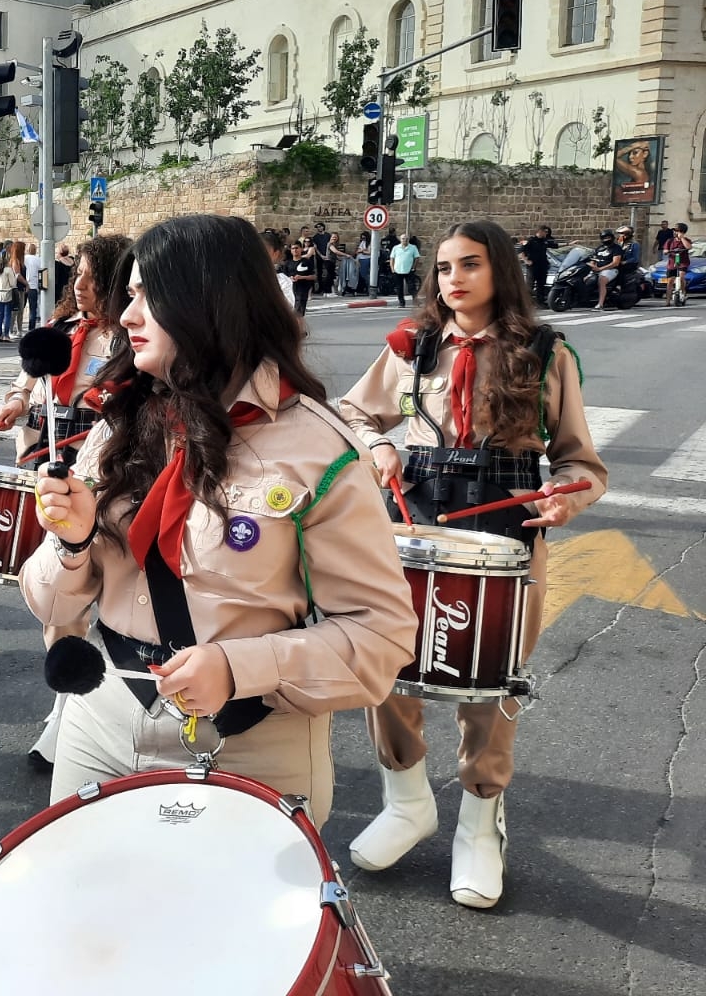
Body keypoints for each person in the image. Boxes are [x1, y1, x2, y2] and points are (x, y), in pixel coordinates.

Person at [21, 215, 416, 826]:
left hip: (253, 748)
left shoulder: (318, 448)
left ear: (210, 303)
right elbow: (49, 604)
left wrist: (239, 668)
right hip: (101, 723)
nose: (126, 318)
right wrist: (71, 545)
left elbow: (380, 635)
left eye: (149, 297)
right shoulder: (117, 426)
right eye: (129, 296)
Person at [339, 218, 607, 909]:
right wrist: (377, 448)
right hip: (416, 516)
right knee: (390, 664)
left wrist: (566, 496)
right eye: (444, 267)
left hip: (506, 529)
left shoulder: (546, 354)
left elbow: (580, 460)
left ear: (500, 275)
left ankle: (481, 824)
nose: (452, 278)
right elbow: (354, 415)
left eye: (470, 265)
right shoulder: (414, 348)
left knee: (491, 678)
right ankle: (407, 801)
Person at [0, 233, 133, 768]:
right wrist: (15, 402)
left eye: (93, 278)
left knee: (110, 589)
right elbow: (25, 382)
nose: (81, 285)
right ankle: (68, 706)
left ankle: (96, 709)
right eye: (79, 275)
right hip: (53, 466)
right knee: (62, 594)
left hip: (107, 470)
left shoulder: (134, 340)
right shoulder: (62, 332)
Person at [518, 224, 553, 307]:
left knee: (541, 285)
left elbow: (555, 246)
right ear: (540, 231)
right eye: (545, 232)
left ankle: (540, 303)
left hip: (542, 266)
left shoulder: (544, 241)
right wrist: (526, 261)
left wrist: (568, 244)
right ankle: (526, 304)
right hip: (533, 267)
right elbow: (520, 251)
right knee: (530, 285)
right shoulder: (531, 241)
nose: (546, 234)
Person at [664, 222, 693, 306]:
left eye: (677, 231)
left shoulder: (686, 240)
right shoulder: (670, 241)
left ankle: (683, 292)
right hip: (672, 262)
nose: (675, 232)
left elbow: (689, 247)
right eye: (675, 231)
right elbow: (665, 250)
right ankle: (668, 301)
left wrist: (682, 238)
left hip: (683, 262)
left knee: (681, 276)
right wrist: (668, 251)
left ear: (682, 232)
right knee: (670, 281)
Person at [0, 253, 19, 342]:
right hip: (7, 293)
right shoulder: (8, 270)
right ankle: (6, 335)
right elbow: (13, 284)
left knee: (0, 314)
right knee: (7, 314)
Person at [390, 233, 420, 307]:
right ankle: (401, 303)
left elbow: (417, 258)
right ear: (400, 240)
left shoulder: (413, 247)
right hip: (397, 270)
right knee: (399, 288)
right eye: (403, 239)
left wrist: (414, 267)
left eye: (406, 239)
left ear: (408, 240)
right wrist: (392, 268)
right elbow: (392, 258)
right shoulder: (396, 248)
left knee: (411, 288)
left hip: (409, 270)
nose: (405, 240)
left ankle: (416, 302)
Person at [22, 239, 44, 332]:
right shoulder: (38, 259)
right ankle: (31, 328)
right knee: (33, 308)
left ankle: (18, 326)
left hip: (23, 285)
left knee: (20, 308)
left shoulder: (24, 258)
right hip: (33, 286)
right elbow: (41, 272)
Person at [289, 242, 315, 317]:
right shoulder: (288, 263)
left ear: (301, 249)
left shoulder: (306, 262)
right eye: (293, 248)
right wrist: (290, 278)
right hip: (291, 289)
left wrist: (302, 277)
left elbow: (313, 276)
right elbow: (283, 276)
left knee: (299, 309)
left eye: (296, 248)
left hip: (303, 288)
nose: (295, 250)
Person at [330, 232, 357, 296]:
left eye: (336, 237)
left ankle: (334, 291)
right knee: (331, 277)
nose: (334, 238)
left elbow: (335, 255)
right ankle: (330, 292)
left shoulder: (334, 244)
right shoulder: (330, 244)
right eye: (333, 237)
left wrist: (341, 258)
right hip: (329, 262)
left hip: (333, 261)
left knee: (333, 277)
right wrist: (346, 255)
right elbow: (336, 251)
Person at [310, 222, 333, 295]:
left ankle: (327, 288)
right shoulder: (315, 237)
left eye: (320, 226)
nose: (319, 228)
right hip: (319, 257)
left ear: (323, 227)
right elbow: (316, 248)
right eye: (317, 227)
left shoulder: (328, 235)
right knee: (319, 273)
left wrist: (327, 255)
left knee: (328, 273)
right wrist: (321, 255)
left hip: (327, 256)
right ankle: (320, 288)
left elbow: (329, 245)